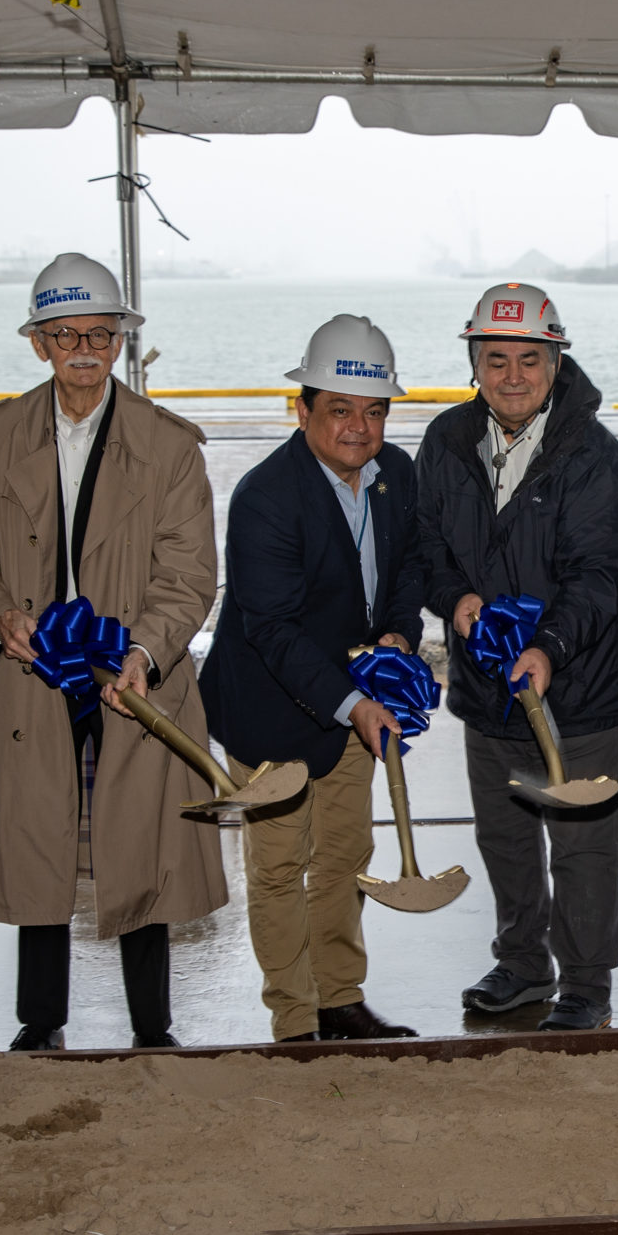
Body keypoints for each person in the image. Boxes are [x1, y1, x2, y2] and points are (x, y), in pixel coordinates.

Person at [0, 254, 225, 1051]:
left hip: (133, 676)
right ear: (38, 344)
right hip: (30, 675)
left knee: (143, 846)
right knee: (37, 843)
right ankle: (39, 1022)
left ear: (122, 340)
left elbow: (191, 572)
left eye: (99, 332)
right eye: (65, 334)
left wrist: (147, 652)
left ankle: (154, 1026)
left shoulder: (170, 448)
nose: (83, 348)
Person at [414, 283, 618, 1032]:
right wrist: (454, 599)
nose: (513, 375)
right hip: (488, 688)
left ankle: (585, 982)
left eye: (529, 359)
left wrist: (548, 646)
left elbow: (598, 576)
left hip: (581, 688)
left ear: (556, 359)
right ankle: (521, 964)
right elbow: (431, 548)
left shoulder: (597, 460)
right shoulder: (445, 442)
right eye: (496, 358)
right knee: (505, 834)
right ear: (474, 361)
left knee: (581, 845)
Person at [204, 316, 427, 1042]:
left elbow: (408, 568)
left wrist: (398, 634)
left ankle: (340, 998)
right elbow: (270, 628)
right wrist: (355, 701)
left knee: (343, 855)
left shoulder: (397, 474)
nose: (359, 428)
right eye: (340, 408)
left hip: (352, 704)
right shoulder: (265, 497)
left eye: (375, 409)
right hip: (270, 706)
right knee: (277, 868)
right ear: (301, 409)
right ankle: (295, 1021)